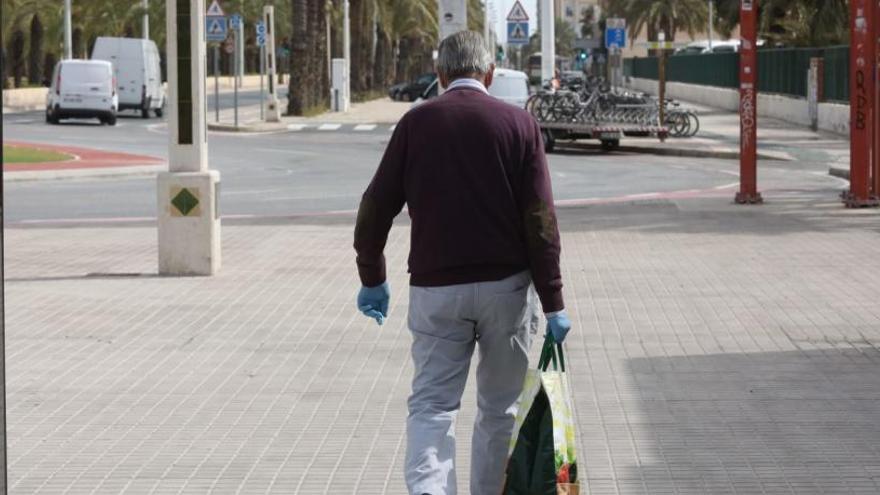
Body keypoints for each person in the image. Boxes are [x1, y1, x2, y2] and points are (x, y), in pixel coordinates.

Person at [353, 30, 571, 495]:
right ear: (489, 73)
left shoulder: (416, 124)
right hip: (505, 292)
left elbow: (376, 205)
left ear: (440, 74)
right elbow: (540, 219)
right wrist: (553, 300)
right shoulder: (519, 125)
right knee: (500, 410)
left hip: (436, 291)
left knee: (432, 407)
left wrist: (372, 275)